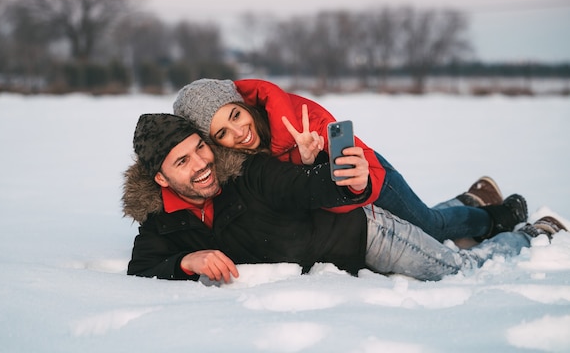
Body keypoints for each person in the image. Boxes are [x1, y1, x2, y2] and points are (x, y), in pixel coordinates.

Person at [122, 113, 566, 283]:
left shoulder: (246, 172)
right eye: (183, 162)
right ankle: (467, 202)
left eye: (200, 147)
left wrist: (343, 180)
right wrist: (187, 262)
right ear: (161, 179)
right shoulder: (165, 222)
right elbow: (140, 267)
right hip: (342, 257)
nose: (201, 163)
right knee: (434, 226)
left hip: (368, 235)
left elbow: (302, 186)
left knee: (462, 269)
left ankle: (531, 234)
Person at [172, 78, 523, 243]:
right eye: (221, 134)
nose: (238, 133)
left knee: (430, 227)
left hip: (370, 178)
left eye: (234, 116)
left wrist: (311, 158)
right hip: (341, 207)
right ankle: (470, 199)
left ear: (243, 105)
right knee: (419, 223)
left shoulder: (296, 117)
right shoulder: (233, 161)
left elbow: (344, 163)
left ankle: (495, 218)